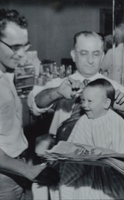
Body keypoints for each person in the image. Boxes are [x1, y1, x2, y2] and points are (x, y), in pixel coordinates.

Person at [28, 31, 124, 140]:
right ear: (74, 55)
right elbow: (35, 105)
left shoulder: (114, 88)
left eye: (96, 54)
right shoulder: (62, 84)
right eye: (84, 54)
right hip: (62, 150)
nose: (90, 60)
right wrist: (57, 93)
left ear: (102, 56)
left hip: (100, 152)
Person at [0, 9, 60, 199]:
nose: (21, 54)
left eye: (24, 46)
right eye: (15, 47)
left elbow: (21, 116)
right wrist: (29, 171)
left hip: (21, 165)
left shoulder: (10, 72)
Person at [51, 78, 124, 199]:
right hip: (86, 171)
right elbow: (72, 155)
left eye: (89, 101)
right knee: (79, 191)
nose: (84, 105)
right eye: (83, 100)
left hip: (113, 174)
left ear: (106, 103)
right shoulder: (83, 121)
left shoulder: (117, 121)